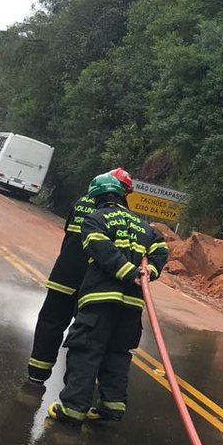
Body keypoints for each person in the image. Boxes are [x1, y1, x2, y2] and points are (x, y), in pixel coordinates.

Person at [48, 173, 168, 423]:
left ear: (95, 198)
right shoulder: (142, 225)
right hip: (133, 304)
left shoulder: (95, 219)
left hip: (101, 299)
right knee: (117, 352)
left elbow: (101, 248)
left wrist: (127, 273)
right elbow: (161, 247)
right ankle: (112, 405)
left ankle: (72, 409)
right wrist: (149, 271)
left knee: (85, 351)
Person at [26, 168, 135, 384]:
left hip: (64, 275)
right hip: (95, 284)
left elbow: (69, 233)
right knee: (86, 334)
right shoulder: (123, 216)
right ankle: (75, 385)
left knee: (50, 322)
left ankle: (37, 373)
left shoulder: (81, 202)